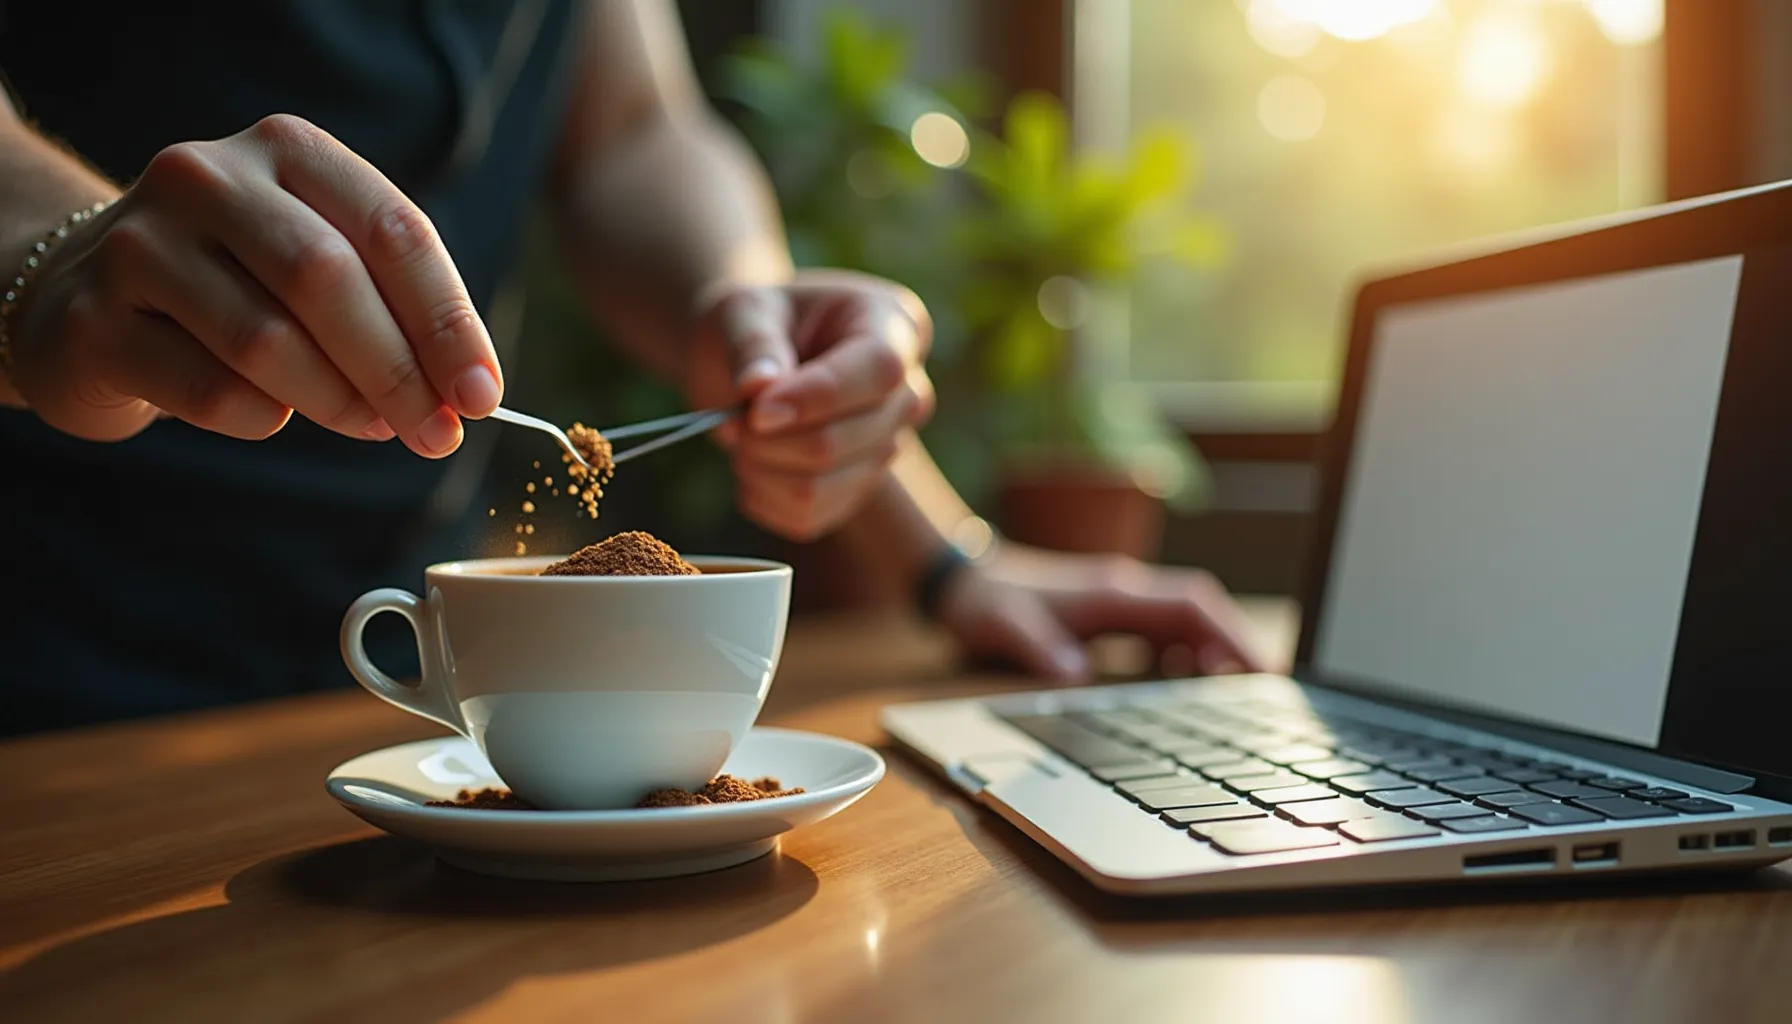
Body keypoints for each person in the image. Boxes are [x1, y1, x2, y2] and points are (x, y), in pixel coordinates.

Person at [0, 0, 1264, 736]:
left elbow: (635, 133)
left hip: (391, 691)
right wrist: (46, 262)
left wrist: (935, 550)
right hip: (48, 666)